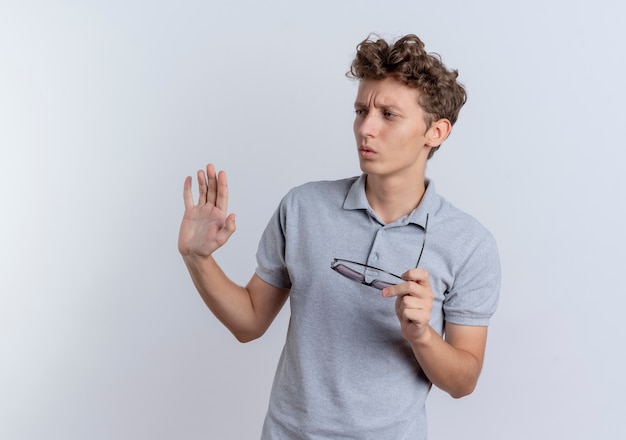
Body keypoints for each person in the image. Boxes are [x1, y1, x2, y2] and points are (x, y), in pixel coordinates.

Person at [178, 34, 500, 440]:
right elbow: (249, 322)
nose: (366, 128)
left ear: (435, 132)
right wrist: (198, 259)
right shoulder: (303, 208)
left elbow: (463, 381)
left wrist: (422, 336)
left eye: (388, 114)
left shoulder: (469, 244)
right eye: (361, 110)